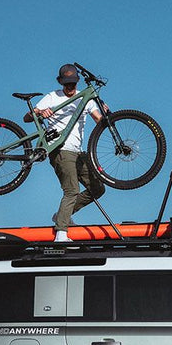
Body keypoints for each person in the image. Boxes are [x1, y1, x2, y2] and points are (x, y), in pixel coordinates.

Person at [24, 64, 107, 242]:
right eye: (66, 84)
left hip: (79, 153)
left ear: (77, 82)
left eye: (72, 84)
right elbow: (27, 117)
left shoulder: (86, 99)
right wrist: (39, 112)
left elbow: (99, 120)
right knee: (71, 190)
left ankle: (61, 215)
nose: (70, 87)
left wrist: (107, 117)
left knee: (98, 188)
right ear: (61, 82)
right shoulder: (53, 97)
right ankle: (61, 233)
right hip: (60, 149)